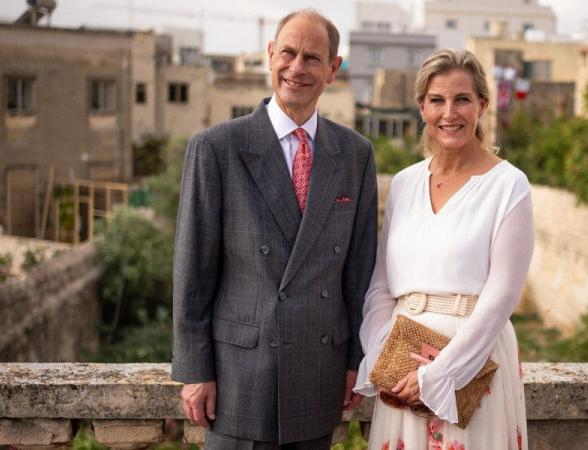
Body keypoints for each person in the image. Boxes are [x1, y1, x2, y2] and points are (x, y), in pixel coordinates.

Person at [171, 9, 377, 449]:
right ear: (270, 55)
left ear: (333, 69)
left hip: (319, 370)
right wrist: (194, 370)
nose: (297, 67)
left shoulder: (356, 154)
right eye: (288, 52)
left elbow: (360, 270)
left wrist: (356, 359)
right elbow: (192, 270)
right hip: (237, 378)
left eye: (312, 57)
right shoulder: (216, 148)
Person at [354, 48, 534, 449]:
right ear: (421, 106)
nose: (449, 113)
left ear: (482, 105)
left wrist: (440, 376)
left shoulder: (509, 185)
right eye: (437, 100)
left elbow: (501, 297)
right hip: (401, 364)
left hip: (471, 365)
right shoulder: (403, 183)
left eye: (462, 99)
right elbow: (382, 285)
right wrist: (384, 358)